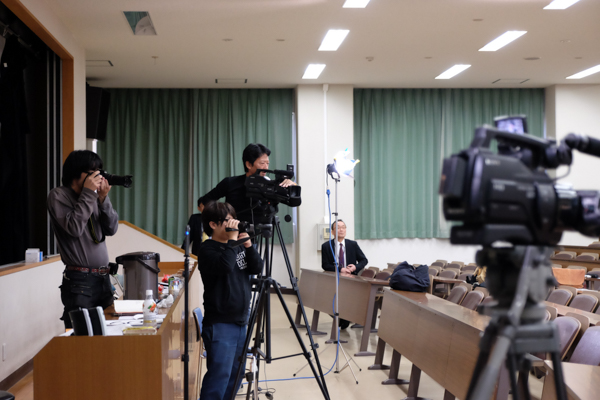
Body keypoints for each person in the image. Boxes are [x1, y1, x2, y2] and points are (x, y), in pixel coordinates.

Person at [198, 201, 263, 400]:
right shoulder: (207, 249)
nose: (233, 223)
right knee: (219, 376)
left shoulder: (237, 247)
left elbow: (256, 268)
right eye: (228, 220)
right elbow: (225, 267)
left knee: (236, 374)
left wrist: (248, 244)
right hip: (220, 323)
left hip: (240, 320)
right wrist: (233, 241)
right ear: (213, 225)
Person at [47, 150, 119, 329]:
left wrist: (103, 199)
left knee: (107, 334)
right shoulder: (58, 196)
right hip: (80, 282)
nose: (98, 178)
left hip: (103, 279)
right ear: (77, 173)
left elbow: (112, 228)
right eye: (93, 172)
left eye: (99, 172)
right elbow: (74, 228)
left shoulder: (92, 198)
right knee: (82, 339)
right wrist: (89, 193)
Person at [198, 143, 295, 223]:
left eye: (267, 163)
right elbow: (202, 202)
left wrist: (292, 186)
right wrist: (219, 222)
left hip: (258, 237)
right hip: (232, 237)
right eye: (262, 163)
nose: (266, 168)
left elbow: (294, 202)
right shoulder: (230, 183)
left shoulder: (270, 185)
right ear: (248, 164)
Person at [321, 219, 368, 329]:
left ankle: (345, 318)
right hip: (335, 279)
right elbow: (325, 265)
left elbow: (364, 260)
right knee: (330, 300)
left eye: (343, 227)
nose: (341, 230)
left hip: (351, 279)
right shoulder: (326, 246)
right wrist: (339, 269)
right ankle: (342, 318)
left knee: (348, 300)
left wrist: (355, 267)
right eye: (338, 227)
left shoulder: (353, 244)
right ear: (332, 232)